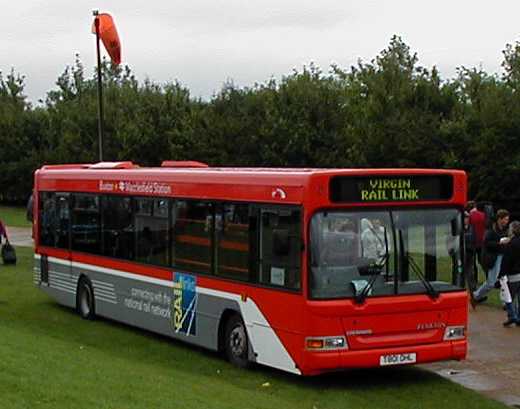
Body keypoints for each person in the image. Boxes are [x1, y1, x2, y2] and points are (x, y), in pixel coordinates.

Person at [472, 209, 510, 306]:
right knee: (491, 283)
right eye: (505, 219)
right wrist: (499, 243)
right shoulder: (491, 230)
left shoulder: (504, 229)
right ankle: (475, 296)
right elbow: (486, 243)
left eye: (507, 219)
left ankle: (506, 302)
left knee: (504, 280)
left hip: (502, 257)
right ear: (499, 219)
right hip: (494, 258)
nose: (507, 221)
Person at [497, 220, 520, 326]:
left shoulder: (512, 244)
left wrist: (501, 273)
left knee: (508, 296)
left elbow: (507, 261)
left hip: (513, 274)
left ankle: (512, 316)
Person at [468, 201, 487, 279]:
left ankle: (474, 279)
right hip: (482, 241)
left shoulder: (469, 216)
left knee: (472, 263)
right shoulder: (483, 215)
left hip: (473, 242)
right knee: (483, 262)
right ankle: (488, 277)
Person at [463, 211, 477, 294]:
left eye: (467, 218)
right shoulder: (458, 228)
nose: (466, 219)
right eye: (465, 218)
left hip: (470, 254)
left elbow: (474, 239)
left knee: (471, 273)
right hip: (461, 254)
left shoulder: (471, 228)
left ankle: (474, 293)